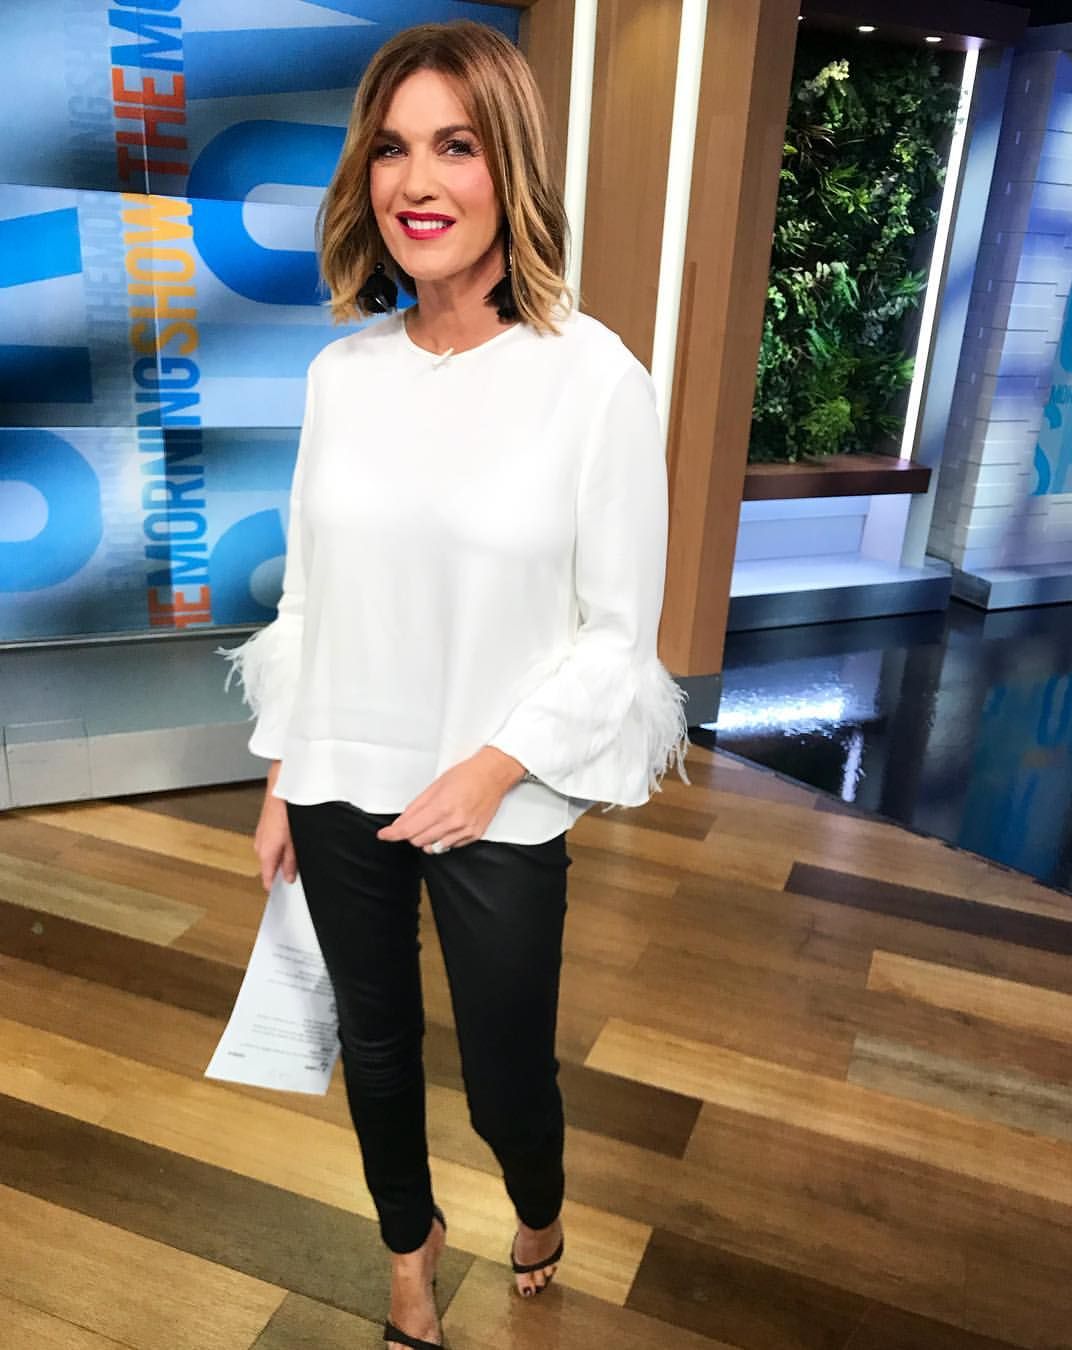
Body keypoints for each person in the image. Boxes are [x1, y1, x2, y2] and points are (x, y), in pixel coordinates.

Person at [222, 19, 689, 1350]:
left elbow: (618, 635)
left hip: (501, 794)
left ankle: (537, 1204)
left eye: (456, 146)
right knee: (374, 1052)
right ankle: (408, 1257)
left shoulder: (593, 380)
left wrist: (490, 768)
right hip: (341, 773)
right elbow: (311, 601)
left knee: (503, 1079)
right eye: (390, 150)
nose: (416, 183)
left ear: (512, 170)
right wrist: (285, 770)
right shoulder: (342, 375)